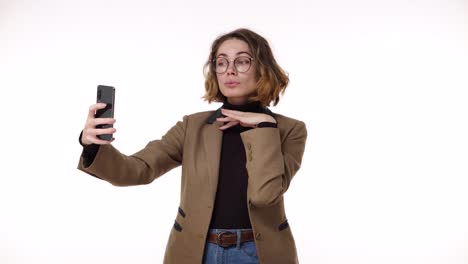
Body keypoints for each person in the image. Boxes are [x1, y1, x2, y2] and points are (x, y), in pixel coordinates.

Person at [78, 28, 307, 264]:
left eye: (242, 62)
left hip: (260, 254)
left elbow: (264, 196)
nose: (229, 70)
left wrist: (265, 127)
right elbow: (139, 169)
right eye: (221, 62)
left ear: (262, 68)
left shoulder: (289, 130)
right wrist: (92, 146)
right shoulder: (193, 126)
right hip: (197, 251)